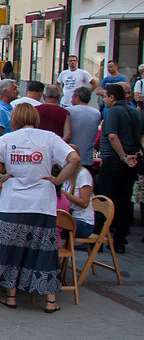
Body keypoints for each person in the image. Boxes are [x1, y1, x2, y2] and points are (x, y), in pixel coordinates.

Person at [0, 104, 81, 312]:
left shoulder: (8, 139)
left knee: (10, 250)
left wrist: (0, 177)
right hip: (42, 203)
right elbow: (74, 158)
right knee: (44, 252)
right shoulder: (49, 137)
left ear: (15, 118)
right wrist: (58, 180)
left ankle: (11, 297)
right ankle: (50, 301)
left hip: (12, 203)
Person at [94, 83, 142, 253]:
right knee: (124, 201)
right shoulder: (135, 112)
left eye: (105, 96)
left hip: (115, 161)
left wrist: (123, 156)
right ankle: (120, 241)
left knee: (103, 200)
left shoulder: (114, 111)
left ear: (112, 97)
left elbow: (113, 136)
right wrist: (136, 154)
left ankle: (96, 240)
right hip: (131, 162)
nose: (104, 99)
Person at [60, 150, 95, 239]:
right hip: (71, 218)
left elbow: (84, 203)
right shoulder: (66, 175)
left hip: (83, 223)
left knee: (51, 227)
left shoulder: (83, 174)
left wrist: (65, 194)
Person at [66, 86, 100, 168]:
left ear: (77, 98)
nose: (71, 100)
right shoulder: (97, 113)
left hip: (70, 156)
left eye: (72, 97)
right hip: (87, 157)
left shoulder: (68, 111)